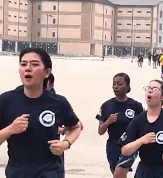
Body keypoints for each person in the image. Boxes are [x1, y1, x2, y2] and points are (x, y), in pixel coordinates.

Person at [0, 48, 82, 177]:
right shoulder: (6, 100)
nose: (28, 68)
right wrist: (10, 129)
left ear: (46, 72)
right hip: (17, 172)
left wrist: (66, 143)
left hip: (50, 171)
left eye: (34, 64)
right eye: (23, 64)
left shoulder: (58, 102)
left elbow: (76, 127)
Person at [95, 73, 143, 177]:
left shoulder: (136, 106)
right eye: (114, 84)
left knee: (120, 172)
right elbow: (100, 131)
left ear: (128, 87)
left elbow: (144, 127)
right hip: (113, 145)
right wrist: (108, 121)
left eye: (120, 84)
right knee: (116, 172)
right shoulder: (106, 106)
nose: (116, 86)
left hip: (130, 146)